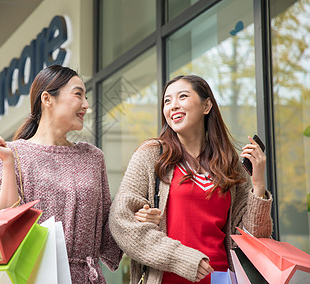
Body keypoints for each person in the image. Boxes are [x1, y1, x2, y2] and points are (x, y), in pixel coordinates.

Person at [109, 75, 273, 284]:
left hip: (221, 279)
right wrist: (182, 258)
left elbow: (252, 241)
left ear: (206, 106)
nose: (173, 106)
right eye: (167, 101)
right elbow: (120, 219)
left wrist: (258, 186)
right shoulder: (152, 155)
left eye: (182, 97)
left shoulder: (230, 166)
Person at [0, 65, 122, 284]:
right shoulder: (11, 153)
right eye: (78, 94)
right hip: (32, 277)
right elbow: (2, 223)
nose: (86, 105)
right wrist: (7, 162)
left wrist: (135, 214)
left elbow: (107, 228)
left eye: (86, 97)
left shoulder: (93, 157)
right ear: (47, 99)